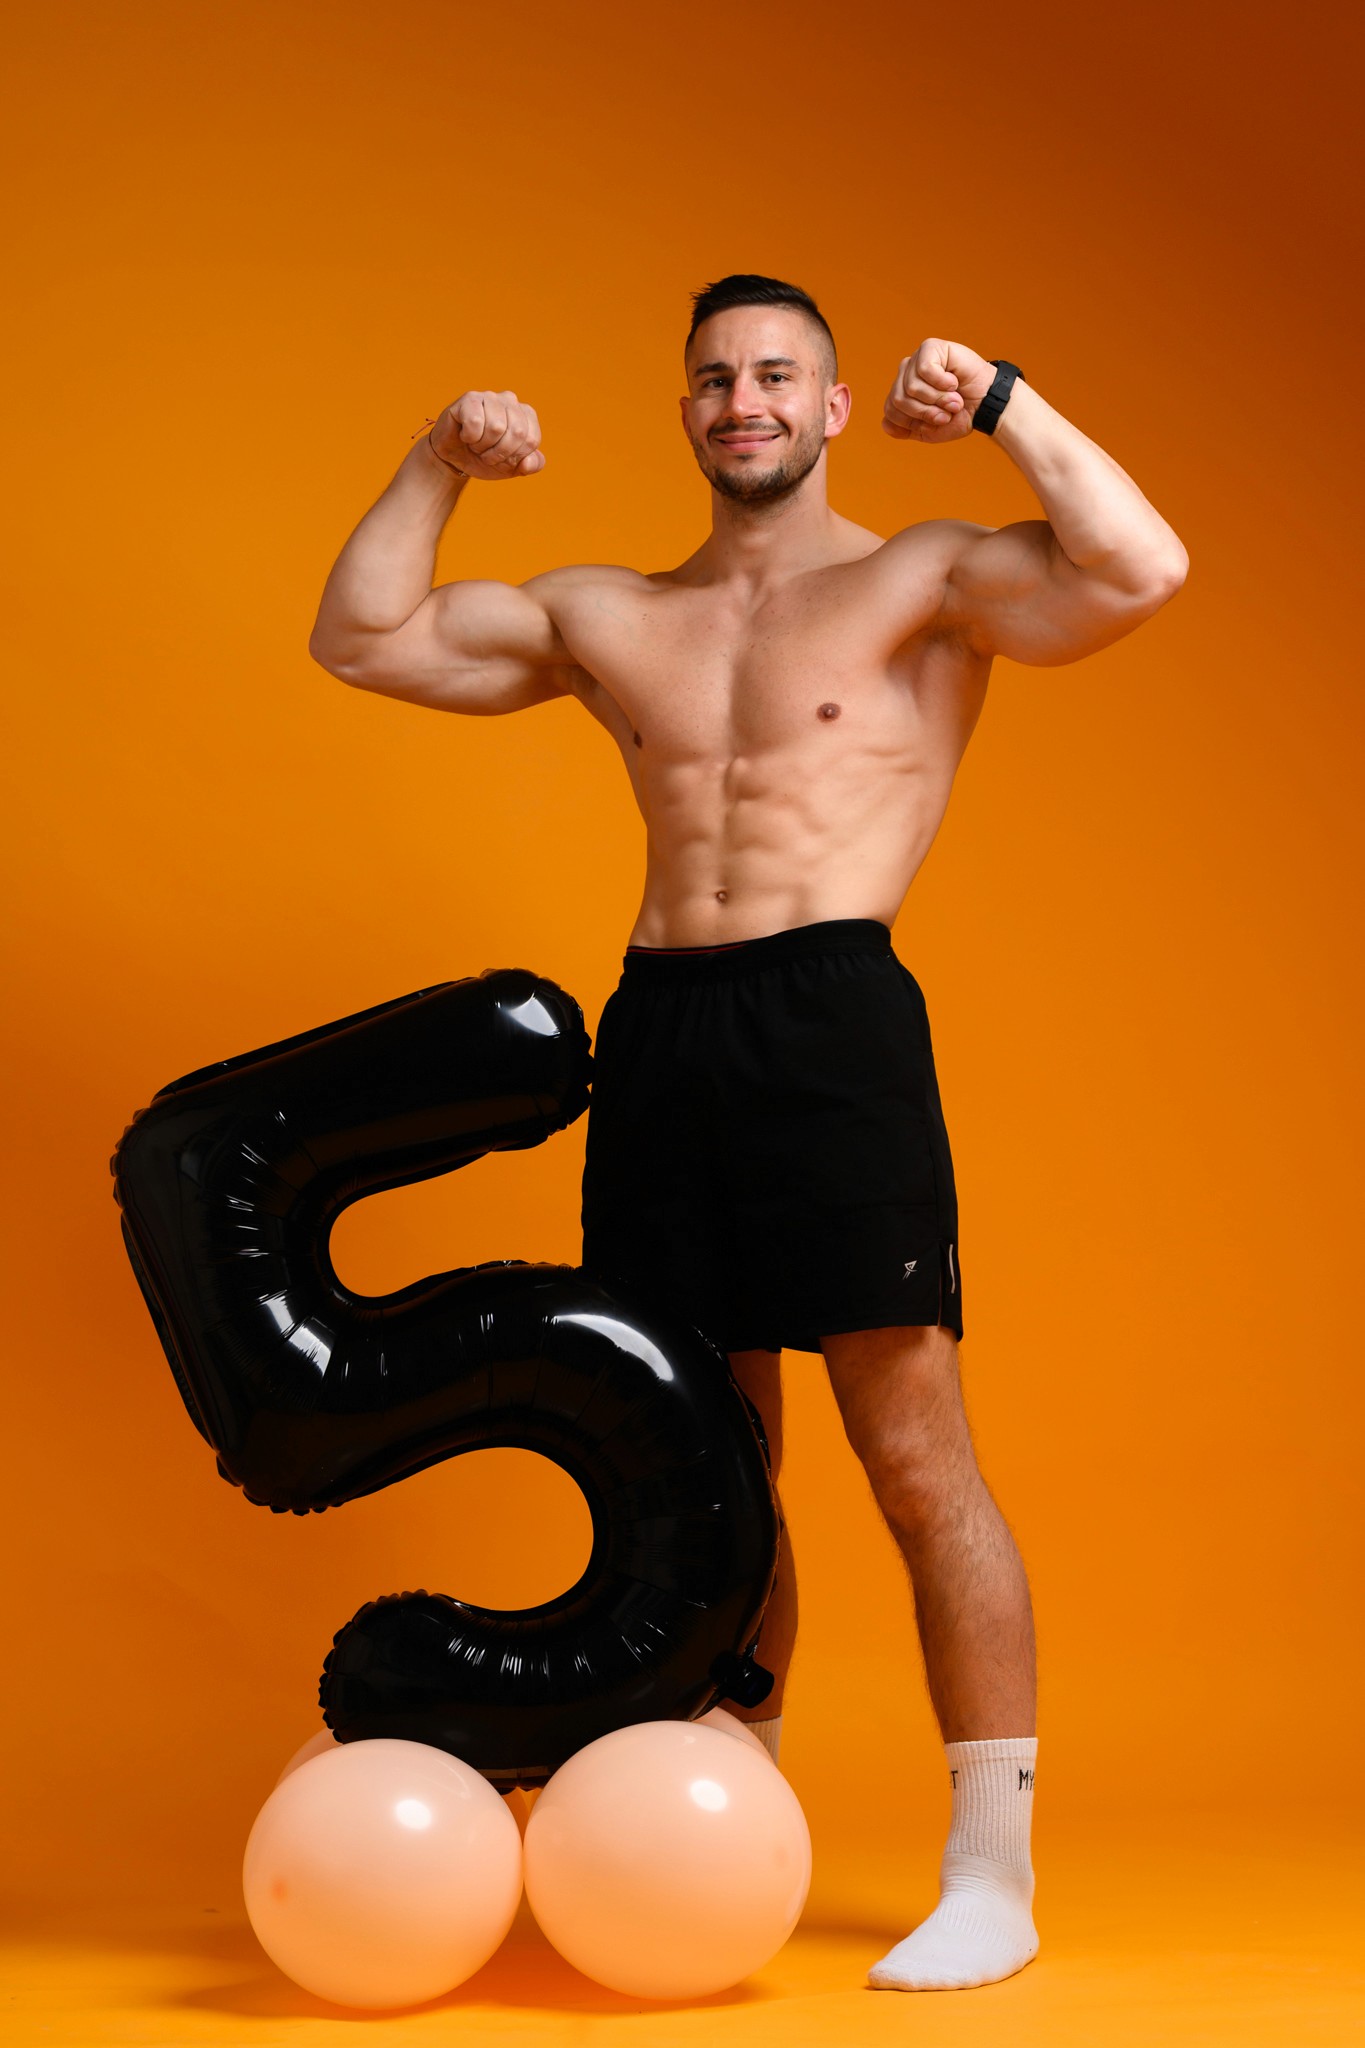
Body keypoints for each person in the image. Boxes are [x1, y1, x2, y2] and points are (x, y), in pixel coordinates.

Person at [307, 274, 1188, 1992]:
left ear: (831, 406)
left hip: (831, 1025)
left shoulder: (923, 580)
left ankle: (990, 1873)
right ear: (688, 411)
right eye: (715, 379)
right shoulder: (610, 614)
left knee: (913, 1459)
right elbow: (361, 637)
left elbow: (1137, 568)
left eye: (777, 374)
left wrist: (1002, 401)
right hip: (662, 1032)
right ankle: (733, 1817)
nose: (744, 402)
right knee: (706, 1464)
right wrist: (438, 462)